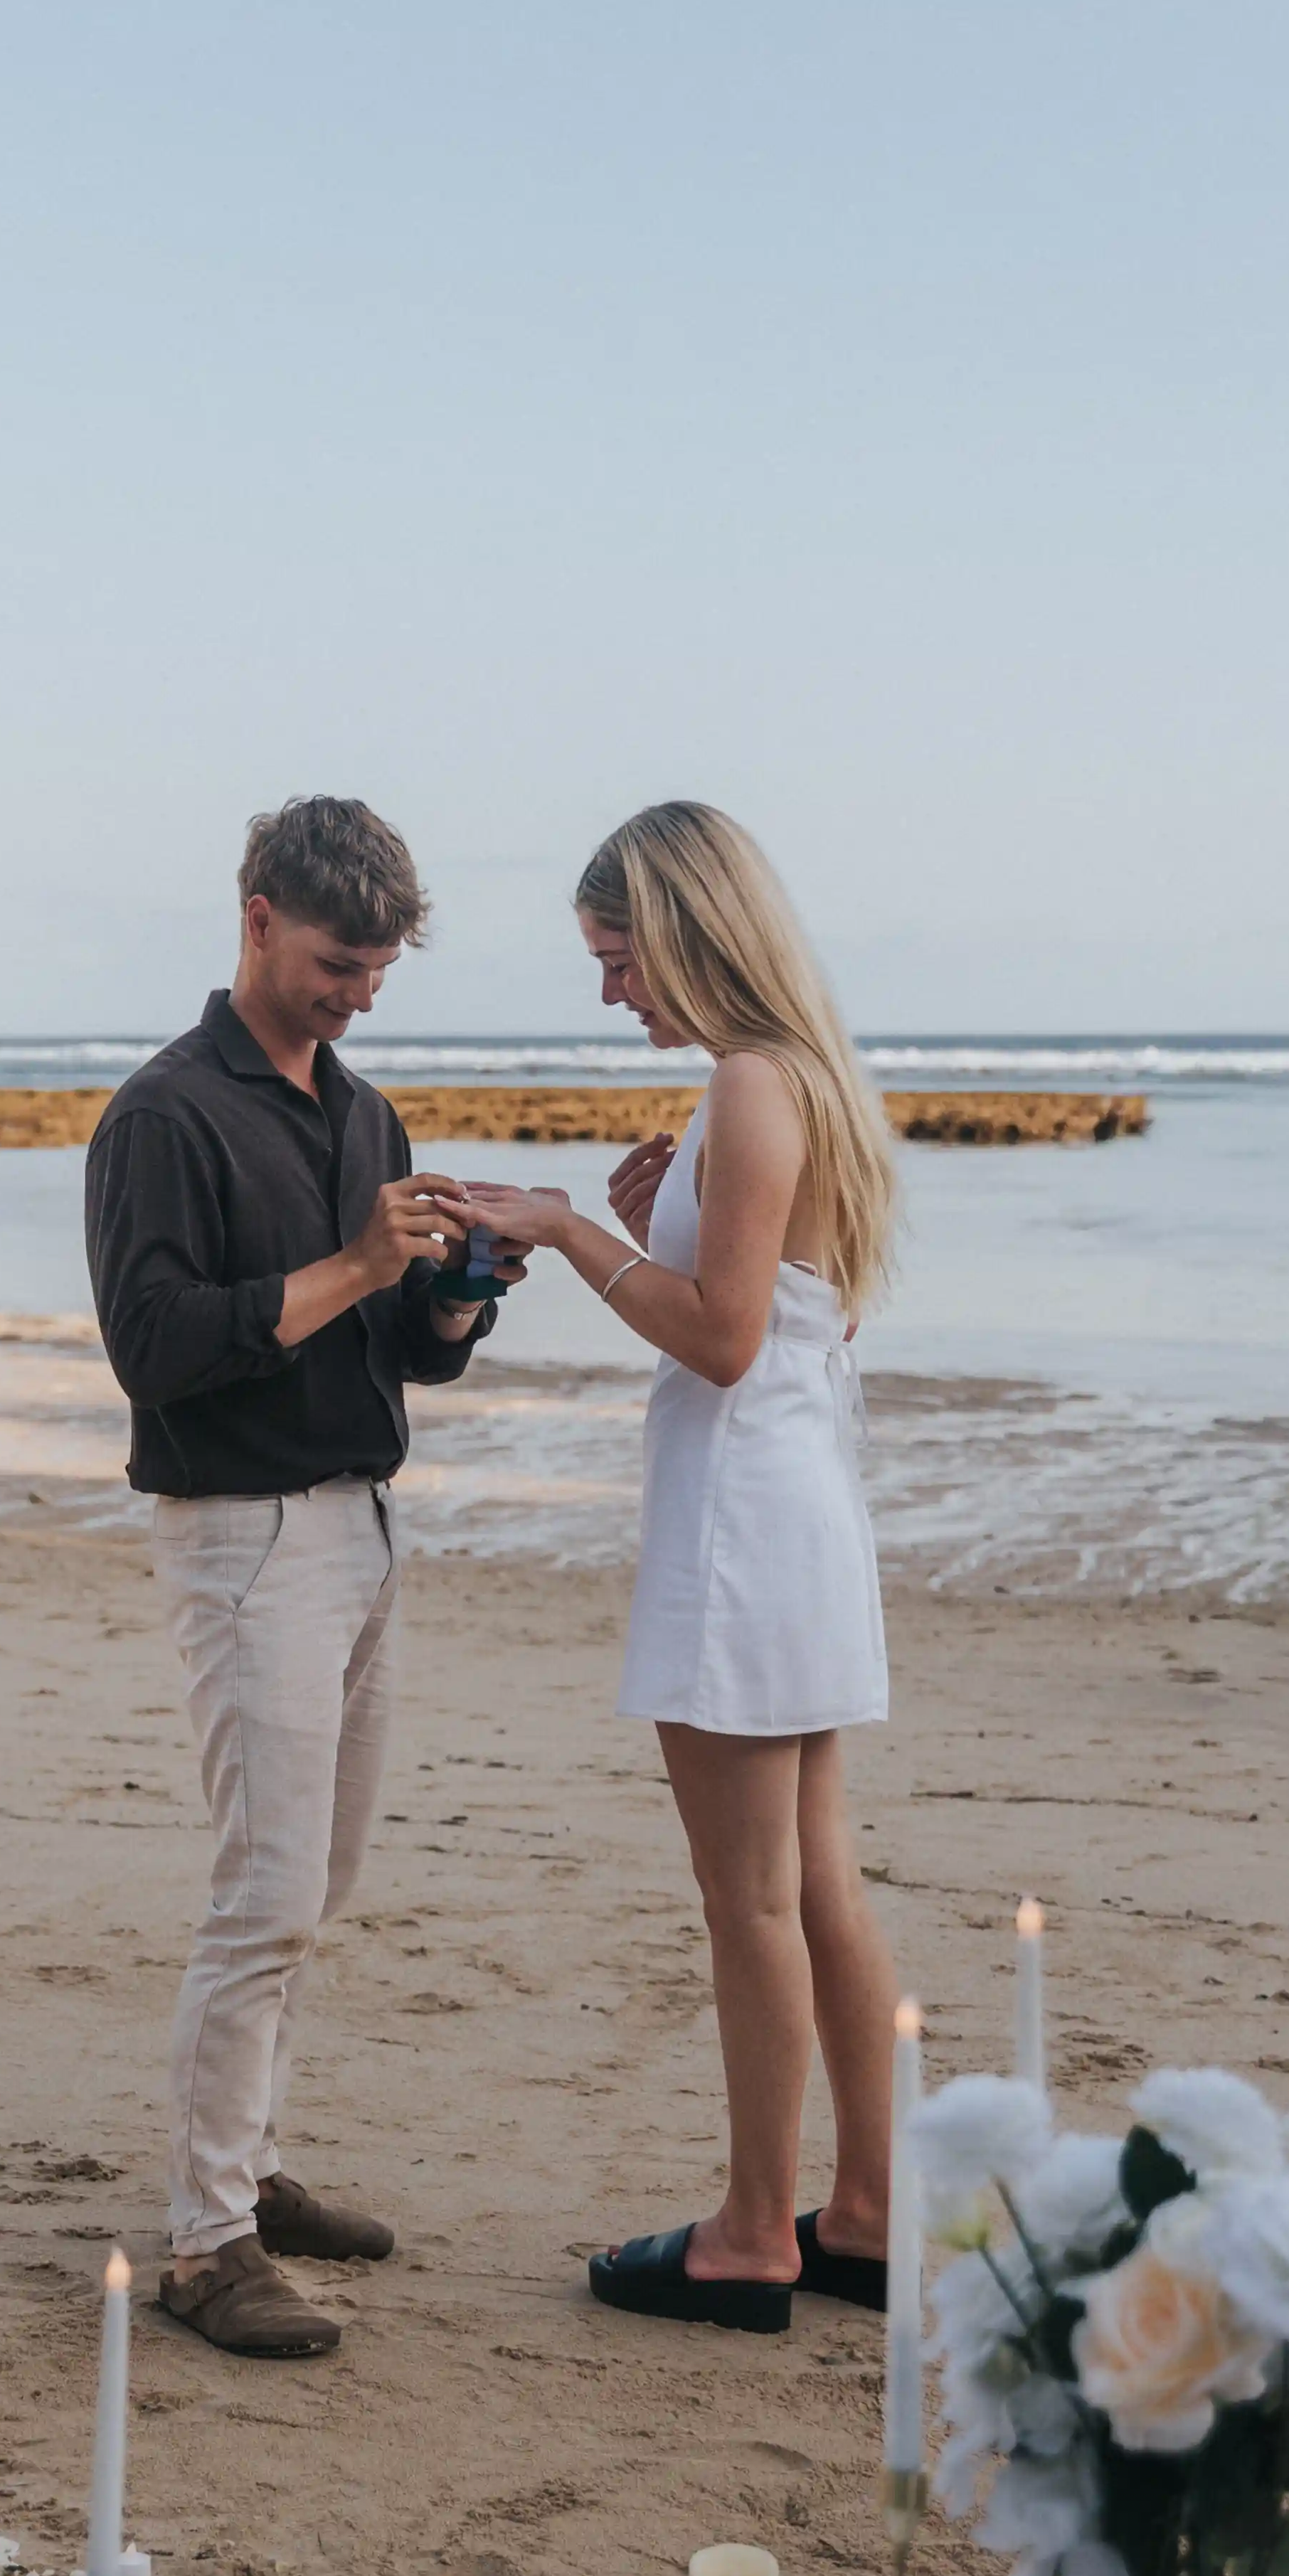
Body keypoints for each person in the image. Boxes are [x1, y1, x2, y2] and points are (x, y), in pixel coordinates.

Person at [86, 797, 518, 2358]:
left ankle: (252, 2175)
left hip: (364, 1525)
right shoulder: (162, 1116)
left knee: (316, 1887)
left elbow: (408, 1350)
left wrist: (459, 1294)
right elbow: (154, 1350)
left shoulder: (363, 1114)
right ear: (258, 916)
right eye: (339, 965)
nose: (357, 997)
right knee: (263, 1893)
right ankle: (207, 2245)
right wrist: (359, 1265)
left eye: (379, 975)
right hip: (241, 1531)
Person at [464, 800, 899, 2335]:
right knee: (816, 1878)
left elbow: (719, 1343)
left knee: (750, 1900)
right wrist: (664, 1226)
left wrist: (570, 1231)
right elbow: (791, 1311)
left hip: (742, 1530)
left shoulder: (747, 1082)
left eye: (618, 955)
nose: (610, 991)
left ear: (686, 928)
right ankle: (866, 2209)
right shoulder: (806, 1079)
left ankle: (751, 2233)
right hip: (802, 1515)